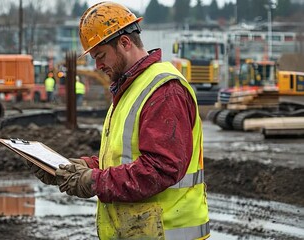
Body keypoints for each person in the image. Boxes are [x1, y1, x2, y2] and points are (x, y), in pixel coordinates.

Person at [29, 2, 210, 239]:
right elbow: (124, 158)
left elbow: (161, 168)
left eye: (101, 55)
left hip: (167, 232)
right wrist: (75, 168)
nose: (98, 65)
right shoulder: (131, 88)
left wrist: (92, 181)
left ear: (125, 43)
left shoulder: (163, 90)